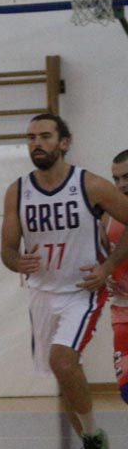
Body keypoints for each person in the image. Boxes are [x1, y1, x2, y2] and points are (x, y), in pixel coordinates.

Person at [0, 114, 128, 449]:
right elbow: (7, 249)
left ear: (64, 142)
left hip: (81, 291)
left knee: (62, 360)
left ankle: (94, 443)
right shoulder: (17, 192)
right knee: (62, 373)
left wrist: (108, 265)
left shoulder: (90, 185)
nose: (36, 143)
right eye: (31, 137)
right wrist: (15, 261)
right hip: (41, 294)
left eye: (45, 136)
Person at [106, 149, 128, 404]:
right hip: (122, 311)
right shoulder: (107, 216)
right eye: (117, 178)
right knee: (126, 390)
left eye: (127, 177)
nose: (122, 184)